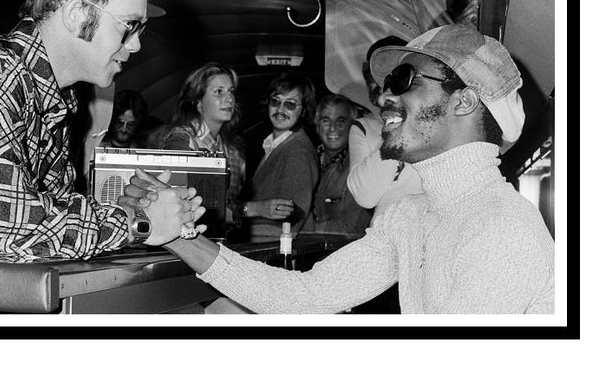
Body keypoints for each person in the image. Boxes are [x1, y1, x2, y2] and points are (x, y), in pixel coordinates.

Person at [127, 24, 555, 314]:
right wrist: (177, 234)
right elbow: (308, 294)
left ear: (463, 101)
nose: (385, 95)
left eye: (405, 79)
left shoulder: (501, 228)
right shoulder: (411, 216)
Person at [0, 0, 203, 262]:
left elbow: (52, 212)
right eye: (129, 26)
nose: (137, 44)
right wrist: (138, 224)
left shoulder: (56, 97)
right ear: (77, 15)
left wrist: (124, 209)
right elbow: (10, 227)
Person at [154, 62, 246, 225]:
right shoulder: (181, 139)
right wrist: (249, 209)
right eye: (218, 92)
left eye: (231, 92)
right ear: (197, 102)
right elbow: (177, 201)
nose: (229, 98)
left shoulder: (225, 146)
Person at [347, 36, 423, 223]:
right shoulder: (363, 127)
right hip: (383, 235)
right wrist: (394, 128)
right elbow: (365, 196)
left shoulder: (430, 120)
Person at [236, 73, 319, 241]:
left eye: (290, 104)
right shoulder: (276, 145)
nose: (280, 110)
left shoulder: (298, 152)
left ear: (304, 111)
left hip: (268, 250)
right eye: (275, 101)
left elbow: (289, 222)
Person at [301, 94, 372, 237]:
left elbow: (352, 228)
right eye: (326, 121)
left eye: (341, 121)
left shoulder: (359, 166)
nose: (332, 128)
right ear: (317, 123)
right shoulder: (306, 158)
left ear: (352, 125)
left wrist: (301, 229)